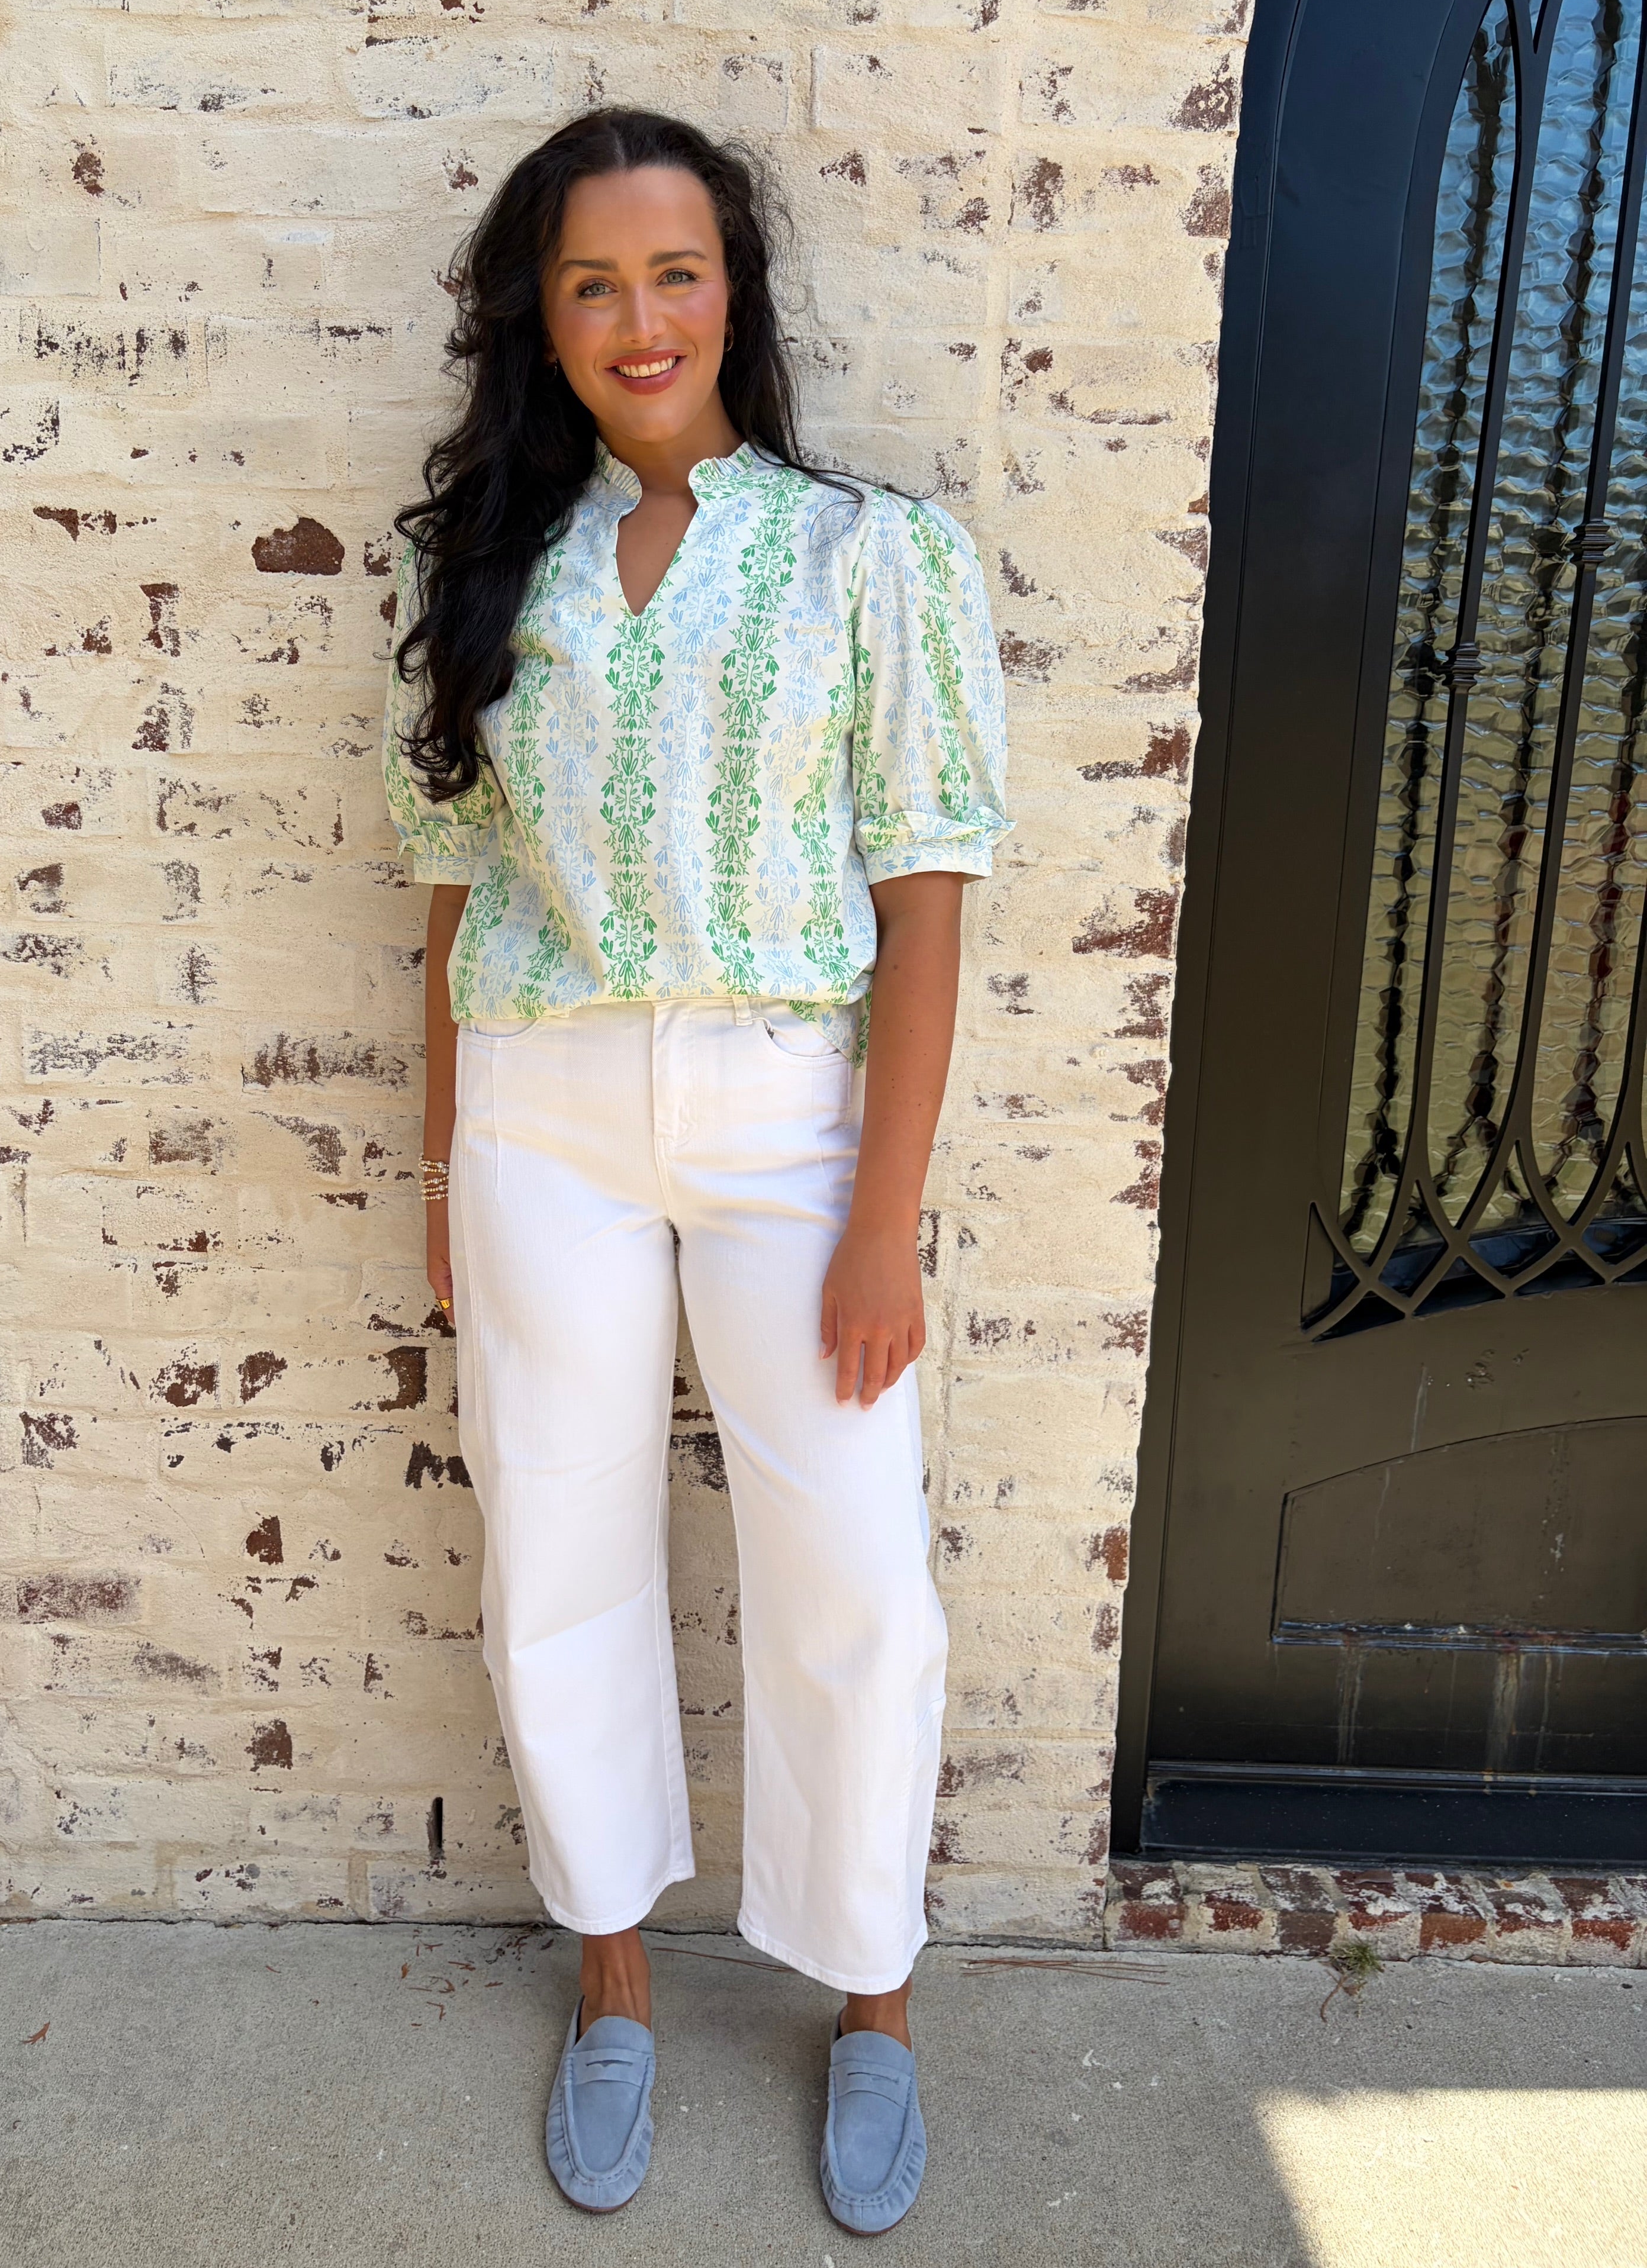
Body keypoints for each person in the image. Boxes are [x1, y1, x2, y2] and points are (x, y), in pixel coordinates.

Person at [381, 107, 1009, 2233]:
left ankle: (874, 2004)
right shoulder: (496, 574)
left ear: (735, 289)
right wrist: (443, 1157)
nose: (641, 319)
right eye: (593, 283)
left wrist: (881, 1216)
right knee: (559, 1547)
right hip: (543, 1113)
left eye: (676, 273)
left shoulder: (870, 556)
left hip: (783, 1118)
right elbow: (457, 899)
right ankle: (618, 1980)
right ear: (539, 322)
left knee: (855, 1575)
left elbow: (926, 901)